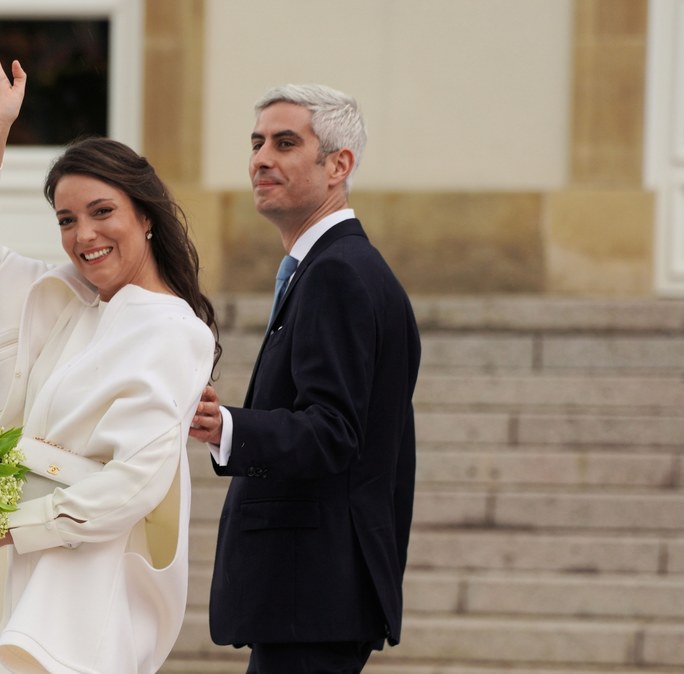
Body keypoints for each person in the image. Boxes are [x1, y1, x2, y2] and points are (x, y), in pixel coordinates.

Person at [0, 27, 218, 674]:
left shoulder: (171, 329)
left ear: (146, 214)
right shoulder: (65, 298)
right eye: (65, 219)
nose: (83, 235)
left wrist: (3, 527)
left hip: (92, 592)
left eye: (101, 211)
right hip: (46, 577)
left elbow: (132, 484)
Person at [188, 84, 421, 673]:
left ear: (339, 164)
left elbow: (333, 431)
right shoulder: (331, 267)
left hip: (314, 592)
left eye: (286, 143)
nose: (261, 159)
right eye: (257, 142)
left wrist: (230, 427)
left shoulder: (338, 273)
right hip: (313, 596)